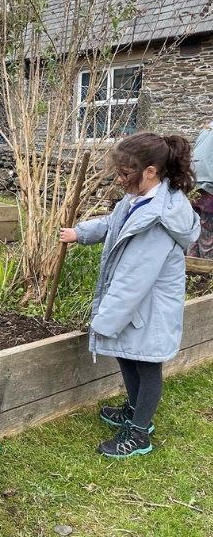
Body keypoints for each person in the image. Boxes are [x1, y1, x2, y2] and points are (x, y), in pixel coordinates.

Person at [60, 132, 200, 458]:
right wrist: (81, 233)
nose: (120, 179)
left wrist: (104, 321)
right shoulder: (139, 199)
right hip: (137, 307)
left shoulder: (159, 220)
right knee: (127, 355)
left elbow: (133, 279)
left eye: (125, 173)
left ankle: (140, 433)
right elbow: (113, 223)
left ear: (150, 171)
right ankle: (135, 412)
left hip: (149, 308)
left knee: (147, 365)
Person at [186, 124, 213, 258]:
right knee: (209, 234)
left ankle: (192, 272)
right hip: (209, 187)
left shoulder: (206, 129)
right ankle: (208, 274)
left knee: (195, 230)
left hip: (194, 185)